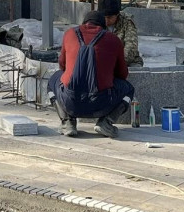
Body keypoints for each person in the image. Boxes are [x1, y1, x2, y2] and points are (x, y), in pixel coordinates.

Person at [48, 9, 133, 139]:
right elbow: (122, 74)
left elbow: (62, 66)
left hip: (70, 102)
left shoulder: (70, 34)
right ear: (103, 26)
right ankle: (106, 122)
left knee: (52, 82)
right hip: (102, 103)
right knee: (129, 89)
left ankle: (67, 122)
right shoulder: (114, 40)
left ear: (84, 23)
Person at [98, 0, 143, 66]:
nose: (106, 20)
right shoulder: (96, 21)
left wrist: (115, 63)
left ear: (117, 14)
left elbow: (131, 47)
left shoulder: (127, 21)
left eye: (109, 17)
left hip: (125, 61)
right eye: (104, 17)